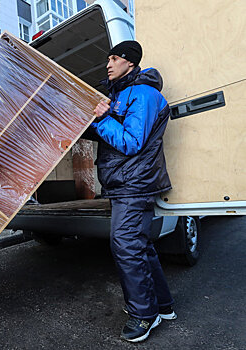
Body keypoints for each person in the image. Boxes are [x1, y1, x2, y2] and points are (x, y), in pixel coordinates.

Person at [90, 40, 176, 343]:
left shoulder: (143, 94)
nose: (108, 64)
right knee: (140, 246)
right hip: (124, 183)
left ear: (130, 62)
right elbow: (113, 133)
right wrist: (97, 119)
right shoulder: (121, 94)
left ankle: (144, 315)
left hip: (134, 183)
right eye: (108, 59)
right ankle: (162, 306)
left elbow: (131, 142)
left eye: (115, 58)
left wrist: (103, 119)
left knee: (125, 244)